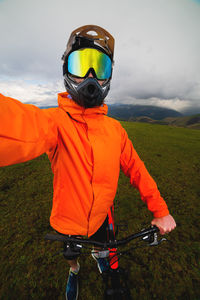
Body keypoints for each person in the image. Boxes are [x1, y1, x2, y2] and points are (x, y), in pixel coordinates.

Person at [0, 25, 176, 300]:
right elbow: (17, 124)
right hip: (67, 220)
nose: (91, 76)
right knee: (70, 253)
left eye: (100, 67)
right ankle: (74, 270)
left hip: (102, 216)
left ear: (109, 76)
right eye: (81, 64)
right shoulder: (54, 122)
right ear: (66, 71)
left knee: (101, 245)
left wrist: (161, 209)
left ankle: (96, 255)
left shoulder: (116, 129)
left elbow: (137, 170)